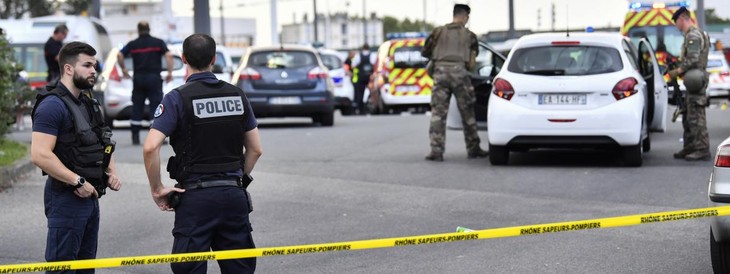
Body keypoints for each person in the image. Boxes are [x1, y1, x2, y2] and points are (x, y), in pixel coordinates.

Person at [142, 33, 262, 274]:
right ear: (214, 58)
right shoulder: (237, 95)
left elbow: (150, 147)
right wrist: (238, 178)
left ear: (183, 58)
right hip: (233, 196)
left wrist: (157, 189)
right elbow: (256, 149)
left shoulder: (176, 98)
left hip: (195, 199)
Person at [30, 41, 122, 273]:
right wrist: (77, 181)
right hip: (66, 197)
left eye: (95, 65)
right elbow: (40, 154)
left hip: (90, 198)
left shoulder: (88, 103)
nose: (94, 70)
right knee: (63, 268)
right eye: (87, 65)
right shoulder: (52, 105)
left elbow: (103, 141)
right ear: (69, 69)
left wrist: (111, 172)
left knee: (84, 268)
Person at [421, 4, 488, 162]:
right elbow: (473, 60)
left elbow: (426, 52)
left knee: (438, 113)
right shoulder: (470, 36)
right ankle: (473, 148)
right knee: (467, 113)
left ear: (454, 15)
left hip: (440, 75)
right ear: (465, 17)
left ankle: (436, 151)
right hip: (460, 75)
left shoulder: (438, 32)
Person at [117, 21, 173, 145]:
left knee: (137, 107)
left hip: (138, 79)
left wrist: (124, 69)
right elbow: (169, 55)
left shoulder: (133, 44)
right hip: (154, 78)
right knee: (156, 106)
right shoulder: (158, 42)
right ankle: (156, 137)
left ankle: (135, 137)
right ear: (149, 29)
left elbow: (120, 55)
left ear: (138, 30)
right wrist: (170, 72)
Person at [667, 6, 711, 161]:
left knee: (697, 116)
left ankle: (702, 148)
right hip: (693, 80)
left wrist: (677, 71)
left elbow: (693, 58)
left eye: (676, 22)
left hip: (696, 80)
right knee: (689, 114)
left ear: (682, 19)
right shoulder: (694, 34)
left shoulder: (693, 35)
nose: (676, 26)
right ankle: (691, 146)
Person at [350, 44, 375, 115]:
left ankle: (361, 110)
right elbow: (375, 65)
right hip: (370, 77)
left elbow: (353, 65)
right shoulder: (372, 55)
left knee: (360, 94)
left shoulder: (358, 56)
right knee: (372, 93)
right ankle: (372, 108)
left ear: (362, 48)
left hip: (361, 77)